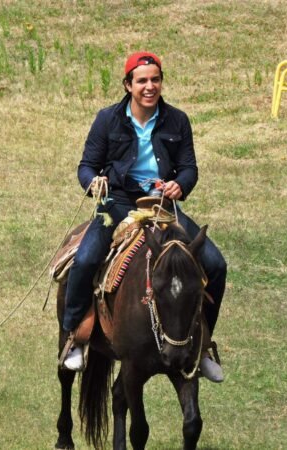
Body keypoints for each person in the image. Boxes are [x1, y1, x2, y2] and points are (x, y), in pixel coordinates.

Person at [61, 52, 226, 382]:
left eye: (155, 79)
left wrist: (180, 184)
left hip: (163, 207)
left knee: (216, 264)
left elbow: (189, 168)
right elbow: (86, 166)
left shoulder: (177, 120)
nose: (150, 87)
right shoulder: (107, 119)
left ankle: (203, 344)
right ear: (128, 85)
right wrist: (93, 182)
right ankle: (74, 338)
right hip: (118, 203)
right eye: (142, 81)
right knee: (86, 258)